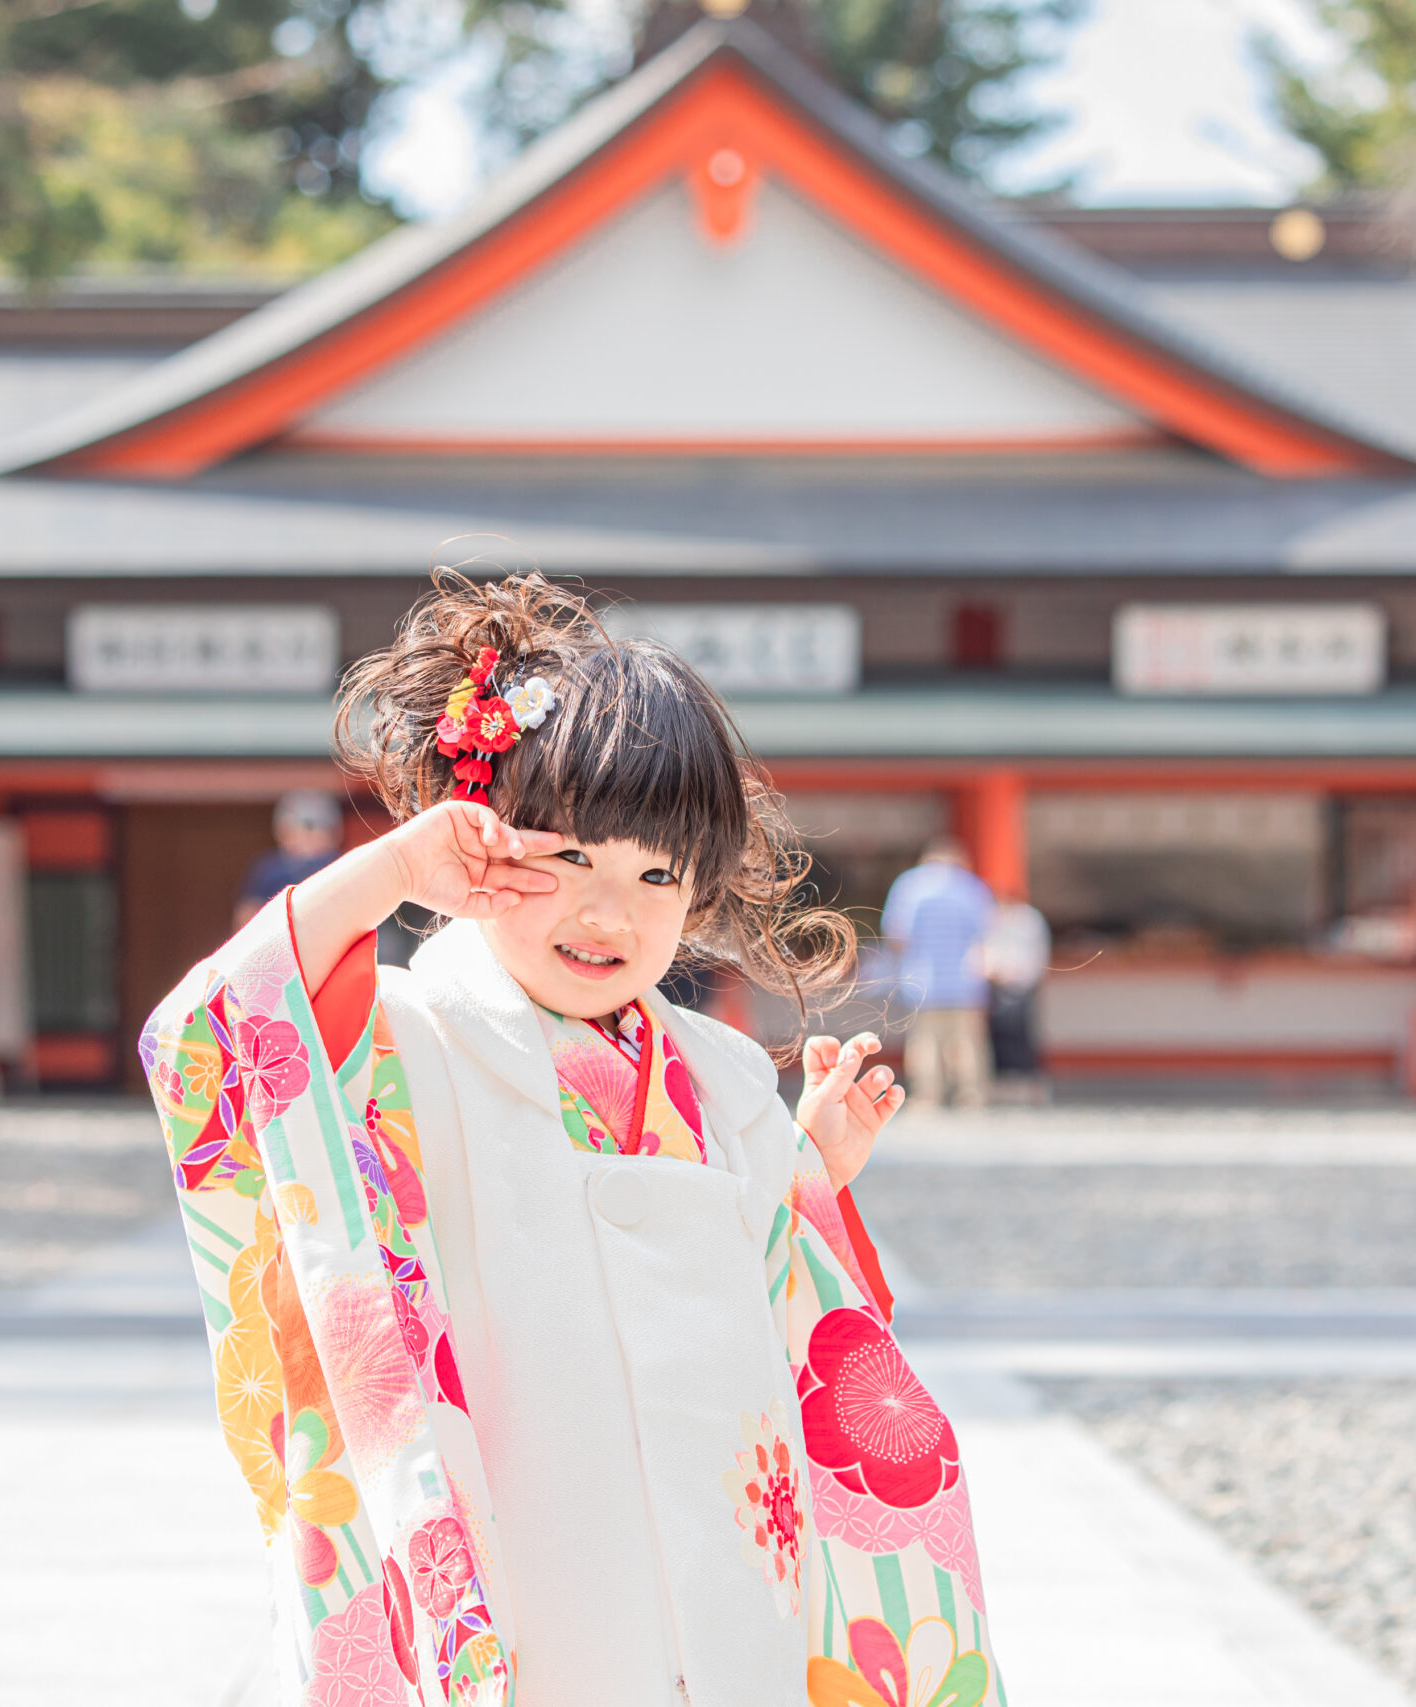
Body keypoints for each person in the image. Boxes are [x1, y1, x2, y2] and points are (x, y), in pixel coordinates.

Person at [141, 575, 996, 1707]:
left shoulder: (725, 1076)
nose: (610, 913)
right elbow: (214, 1038)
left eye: (656, 876)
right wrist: (392, 869)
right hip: (533, 1554)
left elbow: (767, 1301)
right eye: (570, 861)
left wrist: (807, 1179)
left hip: (731, 1562)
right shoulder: (407, 1041)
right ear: (481, 845)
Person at [881, 836, 997, 1110]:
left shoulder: (911, 886)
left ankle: (928, 1097)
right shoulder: (971, 887)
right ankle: (971, 1096)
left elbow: (897, 935)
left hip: (923, 979)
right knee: (967, 1042)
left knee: (926, 1042)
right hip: (965, 980)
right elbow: (987, 933)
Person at [231, 789, 346, 928]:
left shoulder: (340, 866)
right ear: (281, 832)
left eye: (315, 831)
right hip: (279, 940)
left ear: (335, 834)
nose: (306, 839)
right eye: (297, 830)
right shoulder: (269, 869)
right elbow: (246, 916)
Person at [982, 883, 1052, 1105]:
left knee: (1023, 1037)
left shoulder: (1029, 919)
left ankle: (1028, 1086)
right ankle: (1003, 1087)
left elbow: (1038, 953)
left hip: (1023, 986)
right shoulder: (990, 917)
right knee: (999, 1038)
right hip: (996, 987)